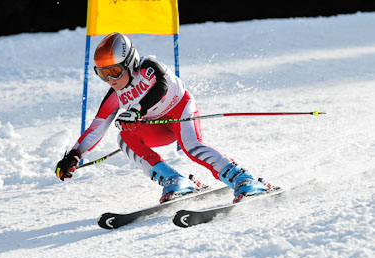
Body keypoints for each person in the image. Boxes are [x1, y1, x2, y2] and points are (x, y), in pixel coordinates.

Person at [55, 32, 271, 203]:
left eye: (114, 71)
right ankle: (175, 180)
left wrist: (138, 109)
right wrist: (74, 155)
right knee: (124, 137)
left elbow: (161, 86)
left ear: (129, 63)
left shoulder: (149, 67)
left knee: (192, 146)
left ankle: (244, 179)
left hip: (180, 112)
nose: (110, 79)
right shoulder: (114, 96)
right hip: (156, 127)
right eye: (102, 74)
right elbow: (97, 127)